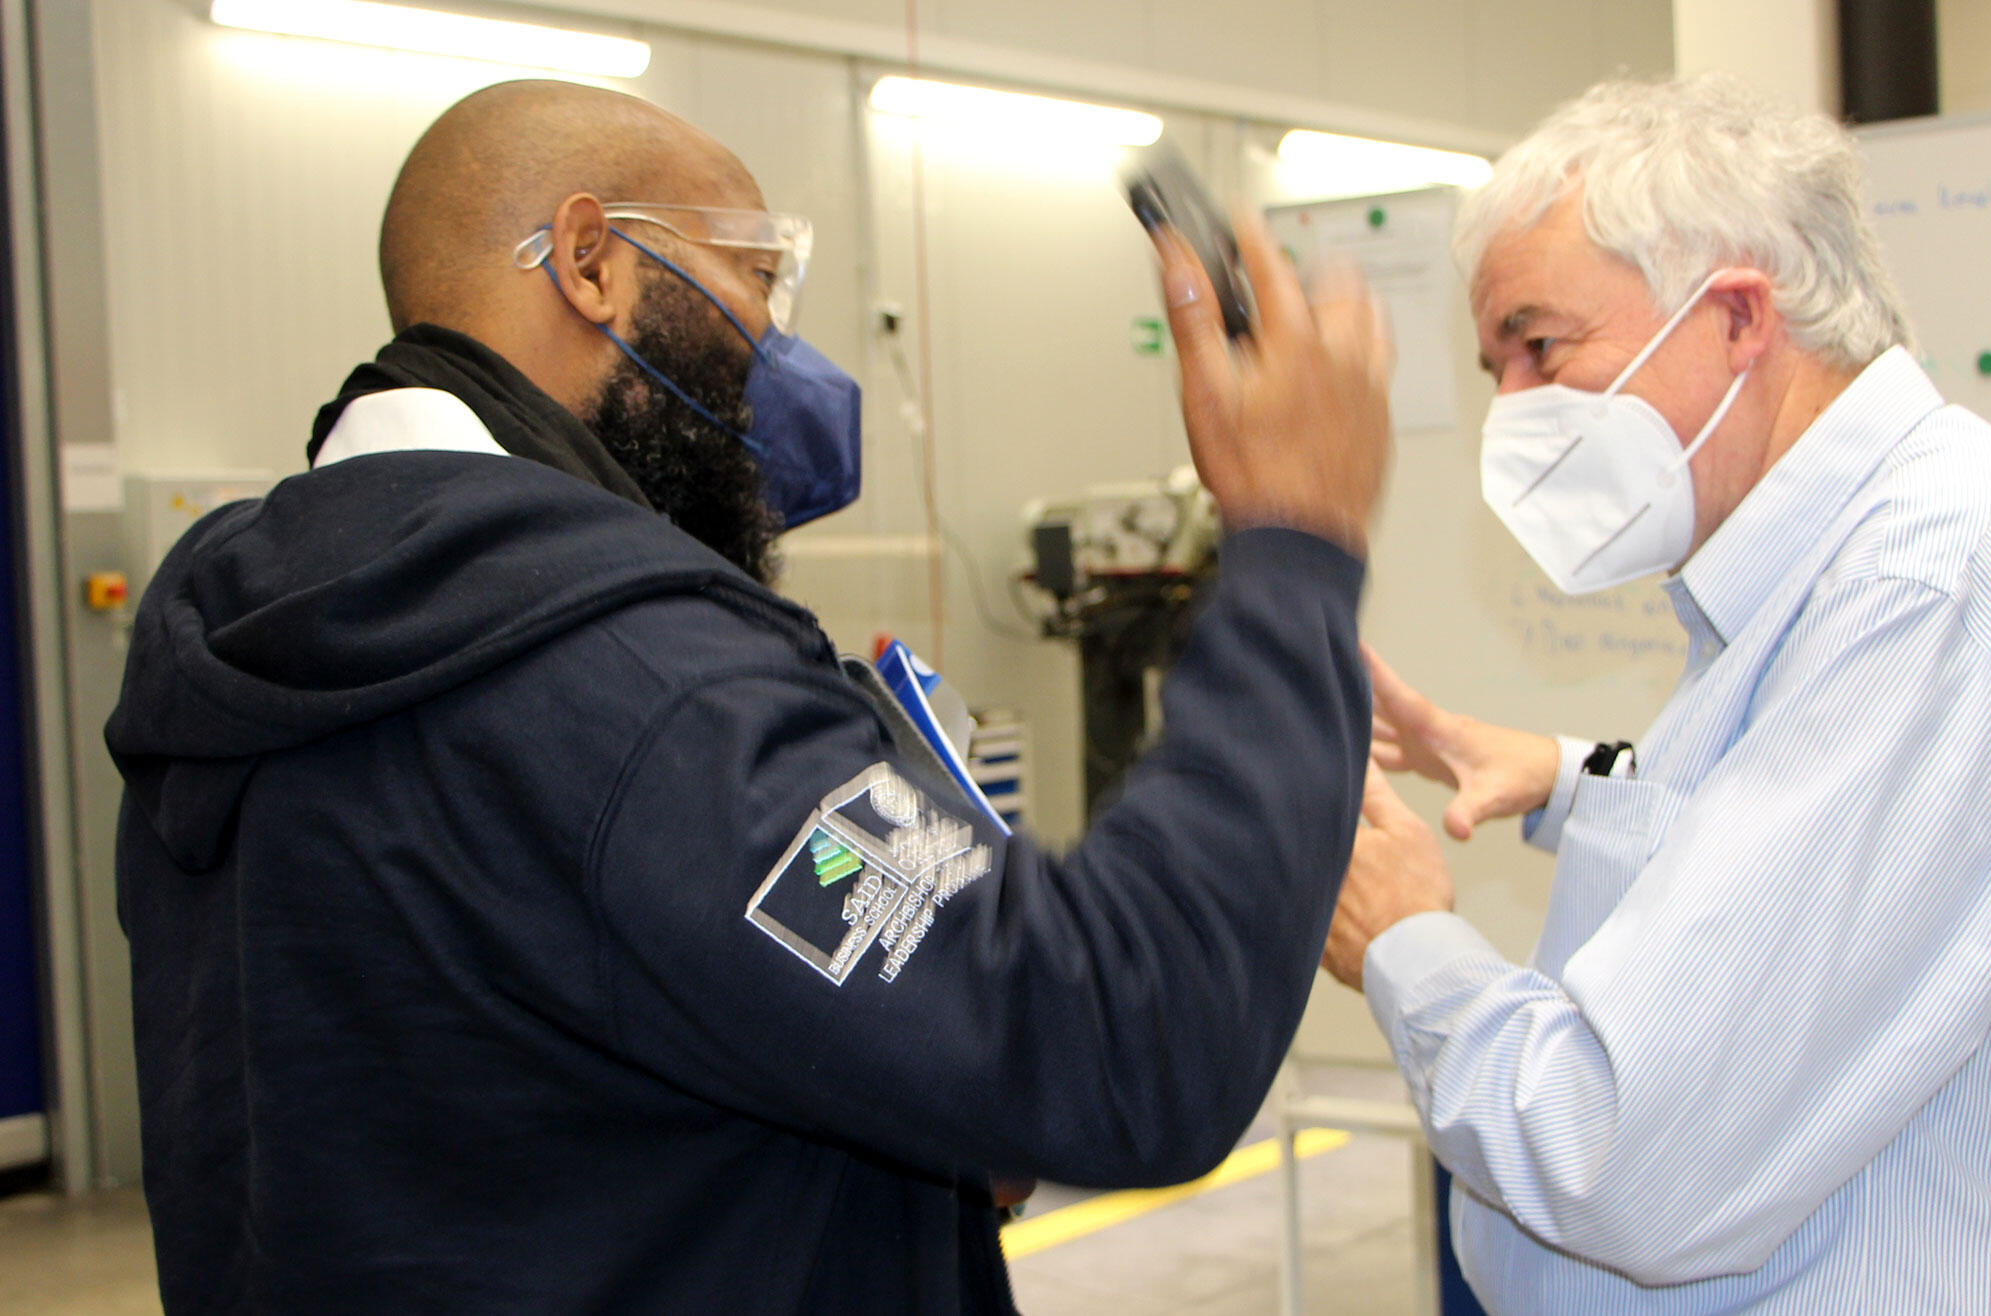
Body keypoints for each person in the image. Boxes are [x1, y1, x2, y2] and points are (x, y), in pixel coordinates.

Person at [105, 80, 1390, 1313]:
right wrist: (1293, 549)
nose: (779, 350)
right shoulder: (626, 683)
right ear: (591, 260)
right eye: (756, 279)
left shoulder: (256, 627)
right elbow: (1125, 1034)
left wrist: (914, 1101)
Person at [1321, 75, 1991, 1313]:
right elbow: (1789, 842)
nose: (1511, 412)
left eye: (1540, 346)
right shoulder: (1824, 573)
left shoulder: (1932, 579)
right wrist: (1571, 775)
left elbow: (1618, 1148)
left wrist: (1407, 939)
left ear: (1736, 318)